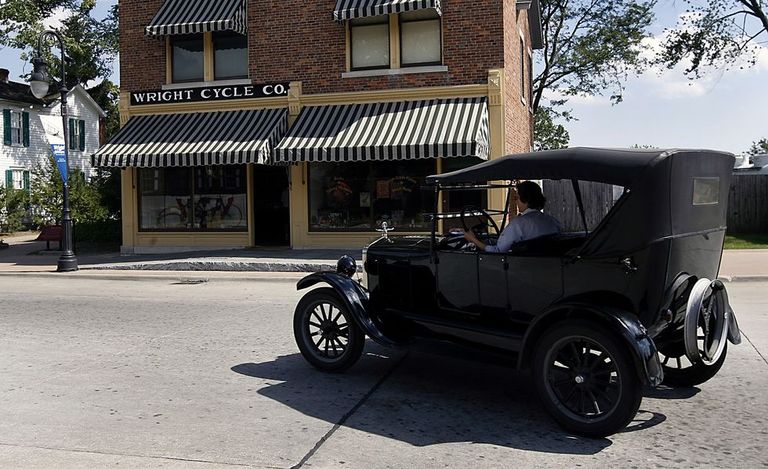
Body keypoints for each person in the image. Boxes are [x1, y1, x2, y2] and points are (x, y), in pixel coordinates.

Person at [464, 181, 560, 252]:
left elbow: (498, 251)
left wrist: (473, 240)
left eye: (516, 198)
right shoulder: (552, 221)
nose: (515, 201)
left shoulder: (518, 224)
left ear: (526, 200)